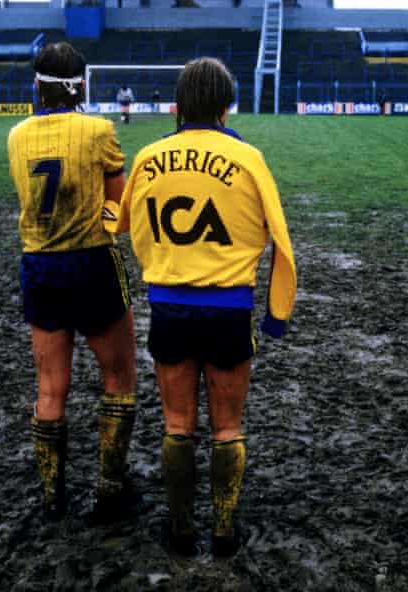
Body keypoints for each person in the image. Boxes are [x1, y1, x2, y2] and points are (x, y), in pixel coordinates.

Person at [114, 57, 296, 557]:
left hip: (170, 307)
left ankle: (179, 529)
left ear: (179, 102)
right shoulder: (250, 158)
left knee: (176, 423)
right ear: (226, 104)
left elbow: (123, 223)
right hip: (229, 310)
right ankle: (222, 529)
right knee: (227, 426)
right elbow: (282, 240)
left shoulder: (150, 156)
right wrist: (277, 315)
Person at [7, 42, 139, 523]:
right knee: (120, 378)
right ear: (81, 84)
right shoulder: (99, 130)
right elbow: (118, 209)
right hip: (91, 265)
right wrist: (102, 226)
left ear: (37, 86)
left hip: (39, 267)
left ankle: (51, 495)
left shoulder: (16, 135)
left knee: (49, 388)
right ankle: (109, 487)